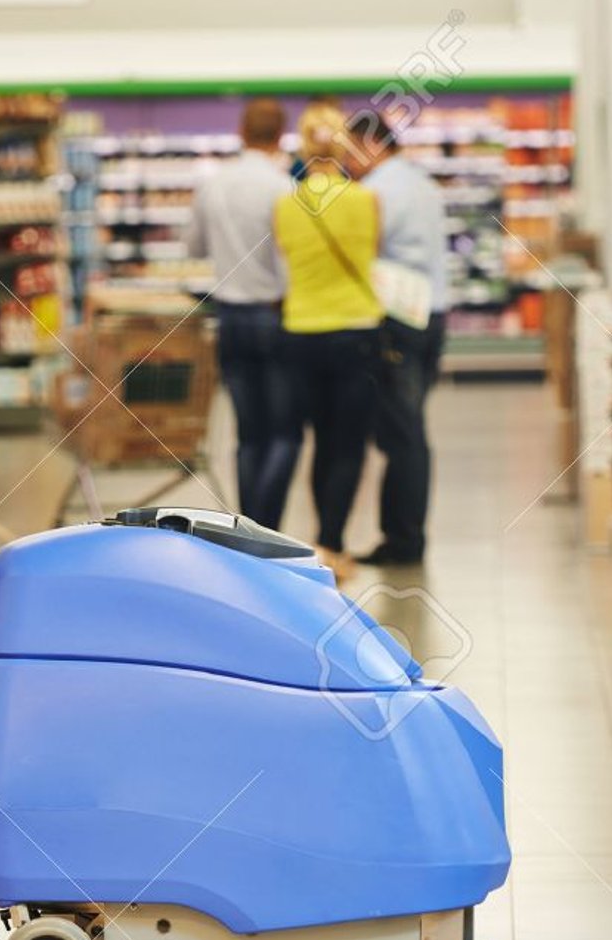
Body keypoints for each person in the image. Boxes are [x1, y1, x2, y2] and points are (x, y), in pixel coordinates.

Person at [273, 102, 384, 584]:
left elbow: (286, 257)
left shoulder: (284, 206)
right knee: (348, 444)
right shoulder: (366, 200)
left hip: (300, 331)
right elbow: (372, 253)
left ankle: (321, 545)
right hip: (357, 331)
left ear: (301, 147)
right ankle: (333, 543)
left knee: (318, 440)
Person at [184, 98, 298, 529]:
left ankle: (249, 528)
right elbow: (289, 259)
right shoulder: (284, 188)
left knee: (248, 434)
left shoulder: (214, 184)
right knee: (284, 432)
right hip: (274, 316)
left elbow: (193, 247)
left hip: (229, 318)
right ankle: (269, 527)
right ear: (281, 136)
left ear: (241, 132)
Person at [346, 111, 448, 566]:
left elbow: (363, 250)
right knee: (407, 428)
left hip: (398, 319)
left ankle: (405, 540)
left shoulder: (375, 191)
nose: (347, 162)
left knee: (403, 433)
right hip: (433, 314)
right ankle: (401, 535)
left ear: (372, 144)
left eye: (351, 151)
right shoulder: (422, 183)